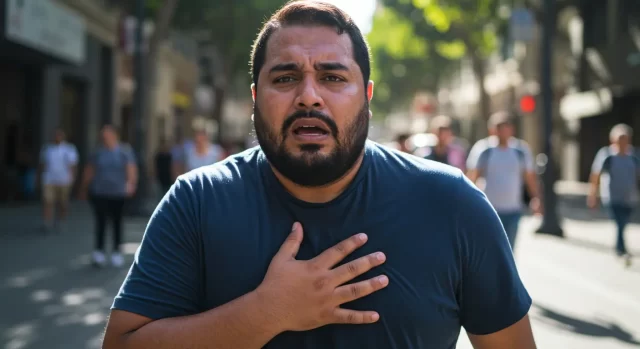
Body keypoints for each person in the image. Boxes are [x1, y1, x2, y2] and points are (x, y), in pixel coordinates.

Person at [103, 2, 536, 349]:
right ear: (256, 98)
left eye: (332, 77)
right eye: (286, 77)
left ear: (367, 95)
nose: (308, 96)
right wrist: (264, 313)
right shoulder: (196, 201)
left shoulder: (453, 204)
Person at [467, 112, 542, 249]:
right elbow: (472, 177)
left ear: (511, 129)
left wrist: (536, 198)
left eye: (505, 127)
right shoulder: (484, 149)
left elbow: (529, 177)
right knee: (489, 249)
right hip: (489, 210)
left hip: (513, 210)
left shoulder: (520, 150)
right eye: (498, 127)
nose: (502, 131)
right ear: (492, 129)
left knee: (509, 249)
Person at [80, 125, 138, 268]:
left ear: (115, 135)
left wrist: (131, 184)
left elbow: (131, 169)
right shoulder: (97, 153)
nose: (105, 138)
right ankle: (98, 252)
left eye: (107, 135)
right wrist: (83, 187)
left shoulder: (124, 151)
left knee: (117, 223)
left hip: (118, 193)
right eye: (103, 135)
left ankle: (116, 252)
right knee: (100, 222)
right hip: (99, 192)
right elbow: (90, 170)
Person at [588, 124, 639, 267]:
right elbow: (596, 175)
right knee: (620, 222)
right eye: (620, 138)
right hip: (612, 197)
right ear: (613, 140)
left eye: (625, 138)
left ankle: (620, 247)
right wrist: (593, 194)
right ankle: (621, 249)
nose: (623, 142)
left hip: (629, 198)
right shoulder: (607, 155)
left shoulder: (634, 156)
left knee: (623, 223)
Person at [38, 129, 79, 233]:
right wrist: (39, 177)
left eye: (59, 135)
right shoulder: (47, 148)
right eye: (55, 135)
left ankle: (61, 221)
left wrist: (72, 178)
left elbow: (73, 165)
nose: (57, 137)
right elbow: (42, 164)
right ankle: (47, 222)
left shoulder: (69, 149)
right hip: (49, 179)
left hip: (64, 180)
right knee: (48, 201)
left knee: (63, 202)